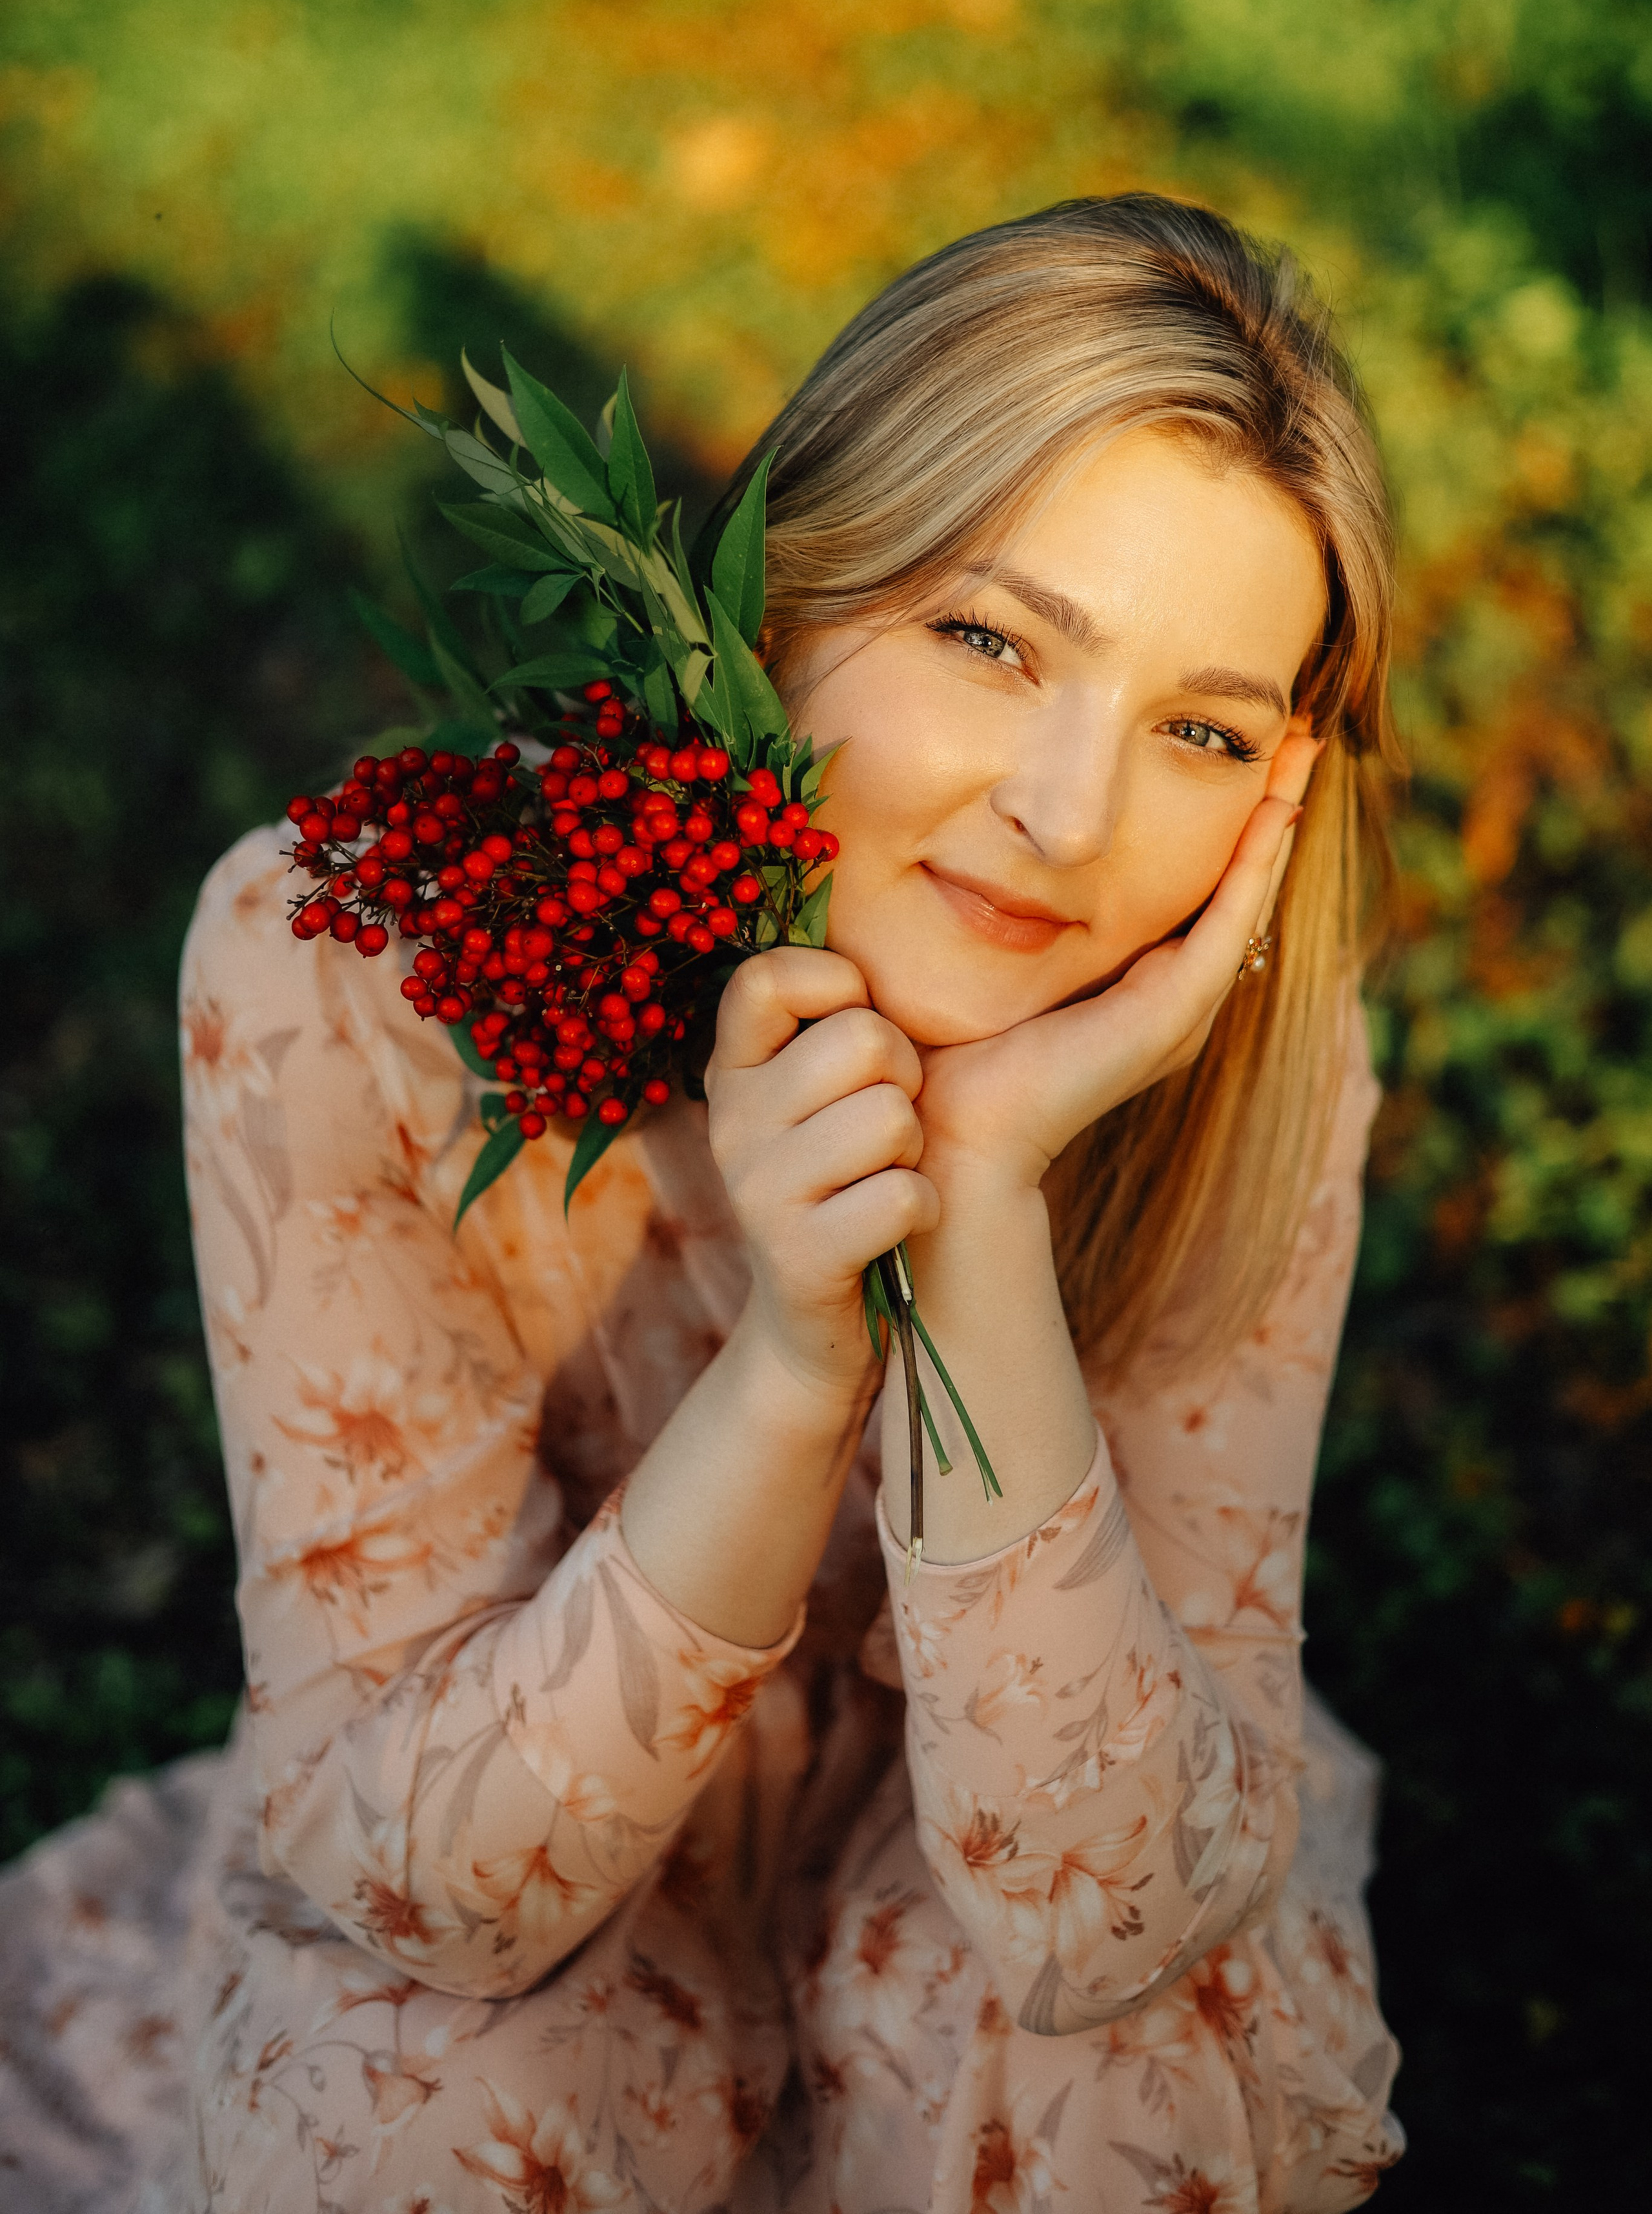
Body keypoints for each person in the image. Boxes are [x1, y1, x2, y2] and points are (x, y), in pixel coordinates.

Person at [3, 195, 1407, 2213]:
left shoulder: (1244, 1062)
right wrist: (794, 1351)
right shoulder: (360, 981)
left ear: (1281, 793)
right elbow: (438, 1890)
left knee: (1113, 2082)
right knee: (413, 2117)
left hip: (1014, 1768)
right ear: (785, 594)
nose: (1072, 817)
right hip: (546, 1758)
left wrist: (987, 1198)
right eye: (991, 641)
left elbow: (1106, 1925)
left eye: (1200, 730)